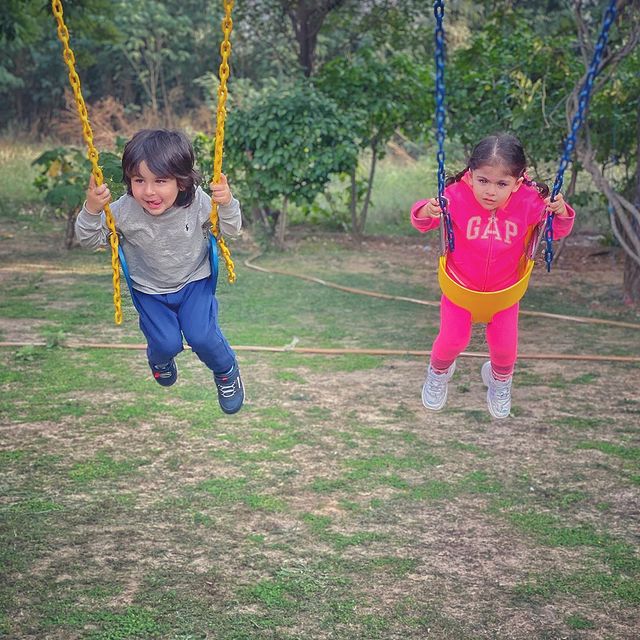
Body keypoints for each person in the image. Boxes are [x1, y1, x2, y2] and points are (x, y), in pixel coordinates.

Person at [76, 129, 244, 414]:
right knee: (165, 343)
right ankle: (160, 359)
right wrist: (92, 210)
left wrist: (226, 204)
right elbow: (88, 239)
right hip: (149, 291)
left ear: (181, 181)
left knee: (202, 336)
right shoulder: (124, 211)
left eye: (160, 181)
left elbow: (232, 230)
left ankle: (226, 372)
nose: (149, 191)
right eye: (139, 180)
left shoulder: (198, 202)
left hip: (194, 282)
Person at [411, 133, 575, 419]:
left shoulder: (530, 201)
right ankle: (438, 373)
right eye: (483, 181)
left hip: (505, 293)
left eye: (502, 184)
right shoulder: (454, 196)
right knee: (451, 341)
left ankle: (499, 382)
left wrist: (560, 212)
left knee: (505, 351)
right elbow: (422, 222)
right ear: (471, 175)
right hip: (460, 288)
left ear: (518, 182)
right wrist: (427, 209)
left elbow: (556, 231)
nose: (490, 191)